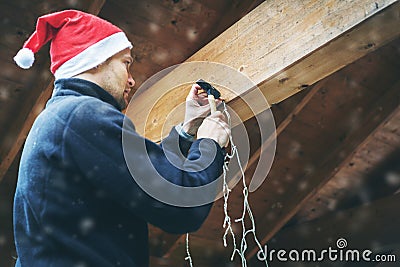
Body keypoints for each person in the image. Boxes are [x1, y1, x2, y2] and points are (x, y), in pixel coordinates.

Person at [12, 10, 230, 267]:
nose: (131, 80)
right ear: (94, 59)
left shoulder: (63, 118)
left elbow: (144, 176)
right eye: (126, 63)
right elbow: (181, 205)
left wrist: (188, 131)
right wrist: (210, 144)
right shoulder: (82, 115)